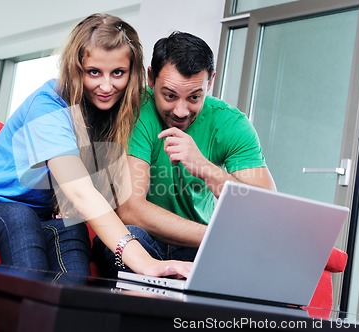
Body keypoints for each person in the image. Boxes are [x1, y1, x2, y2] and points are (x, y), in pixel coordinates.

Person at [0, 14, 191, 278]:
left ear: (131, 74)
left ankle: (62, 319)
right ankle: (21, 317)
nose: (107, 86)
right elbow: (80, 191)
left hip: (38, 216)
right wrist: (145, 262)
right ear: (77, 69)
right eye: (94, 72)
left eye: (118, 73)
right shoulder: (48, 104)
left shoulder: (116, 114)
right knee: (19, 217)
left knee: (72, 229)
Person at [92, 31, 276, 277]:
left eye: (194, 97)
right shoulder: (135, 110)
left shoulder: (231, 124)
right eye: (169, 96)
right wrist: (213, 237)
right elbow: (131, 209)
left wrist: (205, 168)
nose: (180, 111)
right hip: (147, 240)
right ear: (150, 78)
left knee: (258, 260)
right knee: (126, 239)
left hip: (194, 244)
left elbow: (266, 209)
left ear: (210, 82)